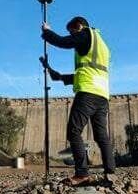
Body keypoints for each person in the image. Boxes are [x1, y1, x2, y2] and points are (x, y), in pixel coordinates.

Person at [40, 16, 116, 185]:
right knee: (101, 135)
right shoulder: (101, 45)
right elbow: (89, 71)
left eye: (72, 31)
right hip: (102, 95)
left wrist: (47, 32)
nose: (72, 35)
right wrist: (58, 76)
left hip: (88, 93)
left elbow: (62, 42)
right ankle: (111, 173)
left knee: (73, 131)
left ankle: (82, 174)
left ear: (79, 26)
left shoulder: (86, 34)